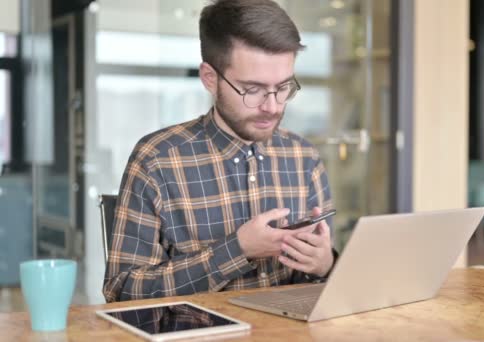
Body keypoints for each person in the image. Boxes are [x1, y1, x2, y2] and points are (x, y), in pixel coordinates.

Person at [103, 0, 336, 302]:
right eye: (252, 90)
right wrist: (237, 250)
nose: (272, 106)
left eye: (283, 88)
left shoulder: (304, 158)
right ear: (210, 79)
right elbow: (122, 291)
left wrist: (325, 265)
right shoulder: (157, 160)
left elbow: (323, 283)